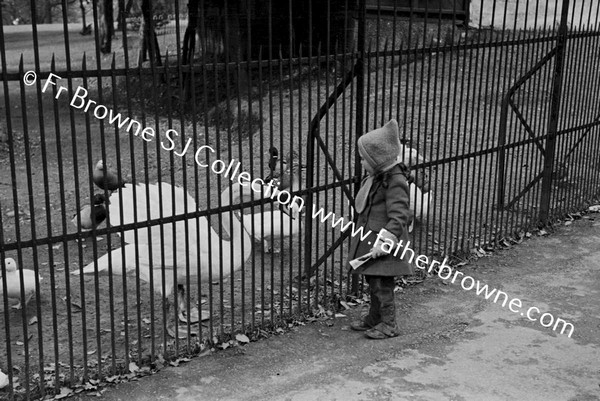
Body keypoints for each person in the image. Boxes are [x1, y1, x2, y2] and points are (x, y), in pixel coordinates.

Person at [348, 119, 414, 340]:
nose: (361, 162)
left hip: (384, 245)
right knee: (373, 281)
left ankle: (389, 324)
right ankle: (375, 317)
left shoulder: (395, 180)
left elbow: (400, 214)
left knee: (382, 285)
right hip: (371, 241)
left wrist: (386, 240)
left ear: (377, 159)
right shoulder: (379, 176)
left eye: (364, 159)